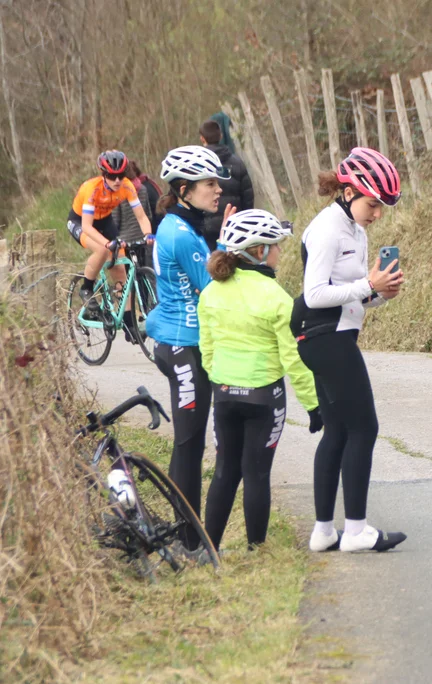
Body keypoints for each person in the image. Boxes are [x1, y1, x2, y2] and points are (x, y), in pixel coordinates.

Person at [290, 147, 406, 553]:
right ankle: (355, 531)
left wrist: (381, 294)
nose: (377, 214)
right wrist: (368, 285)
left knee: (338, 431)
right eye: (373, 204)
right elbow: (315, 294)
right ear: (350, 191)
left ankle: (324, 532)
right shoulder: (328, 228)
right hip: (325, 336)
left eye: (382, 207)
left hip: (332, 334)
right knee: (364, 428)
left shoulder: (355, 229)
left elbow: (352, 295)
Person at [198, 210, 322, 551]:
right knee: (256, 474)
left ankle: (209, 549)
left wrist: (221, 379)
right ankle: (257, 550)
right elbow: (293, 359)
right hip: (264, 397)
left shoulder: (210, 292)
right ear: (259, 251)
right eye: (275, 245)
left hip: (224, 394)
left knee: (224, 471)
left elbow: (207, 349)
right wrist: (313, 405)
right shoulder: (277, 297)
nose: (279, 251)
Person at [145, 145, 232, 549]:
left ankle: (183, 535)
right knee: (188, 443)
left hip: (183, 342)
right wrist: (232, 249)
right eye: (210, 184)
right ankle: (187, 541)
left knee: (190, 444)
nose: (218, 190)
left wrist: (221, 240)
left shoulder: (183, 224)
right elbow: (214, 287)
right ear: (184, 189)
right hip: (183, 346)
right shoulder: (181, 233)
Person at [68, 151, 153, 328]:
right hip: (80, 221)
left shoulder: (127, 186)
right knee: (102, 249)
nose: (117, 180)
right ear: (104, 174)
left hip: (105, 221)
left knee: (121, 269)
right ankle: (86, 288)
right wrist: (107, 243)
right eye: (112, 176)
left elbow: (141, 216)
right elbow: (87, 227)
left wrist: (148, 235)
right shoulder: (93, 189)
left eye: (121, 175)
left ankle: (128, 322)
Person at [200, 119, 254, 245]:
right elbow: (248, 197)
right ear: (221, 136)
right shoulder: (237, 163)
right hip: (235, 228)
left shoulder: (198, 165)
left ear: (202, 139)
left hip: (207, 231)